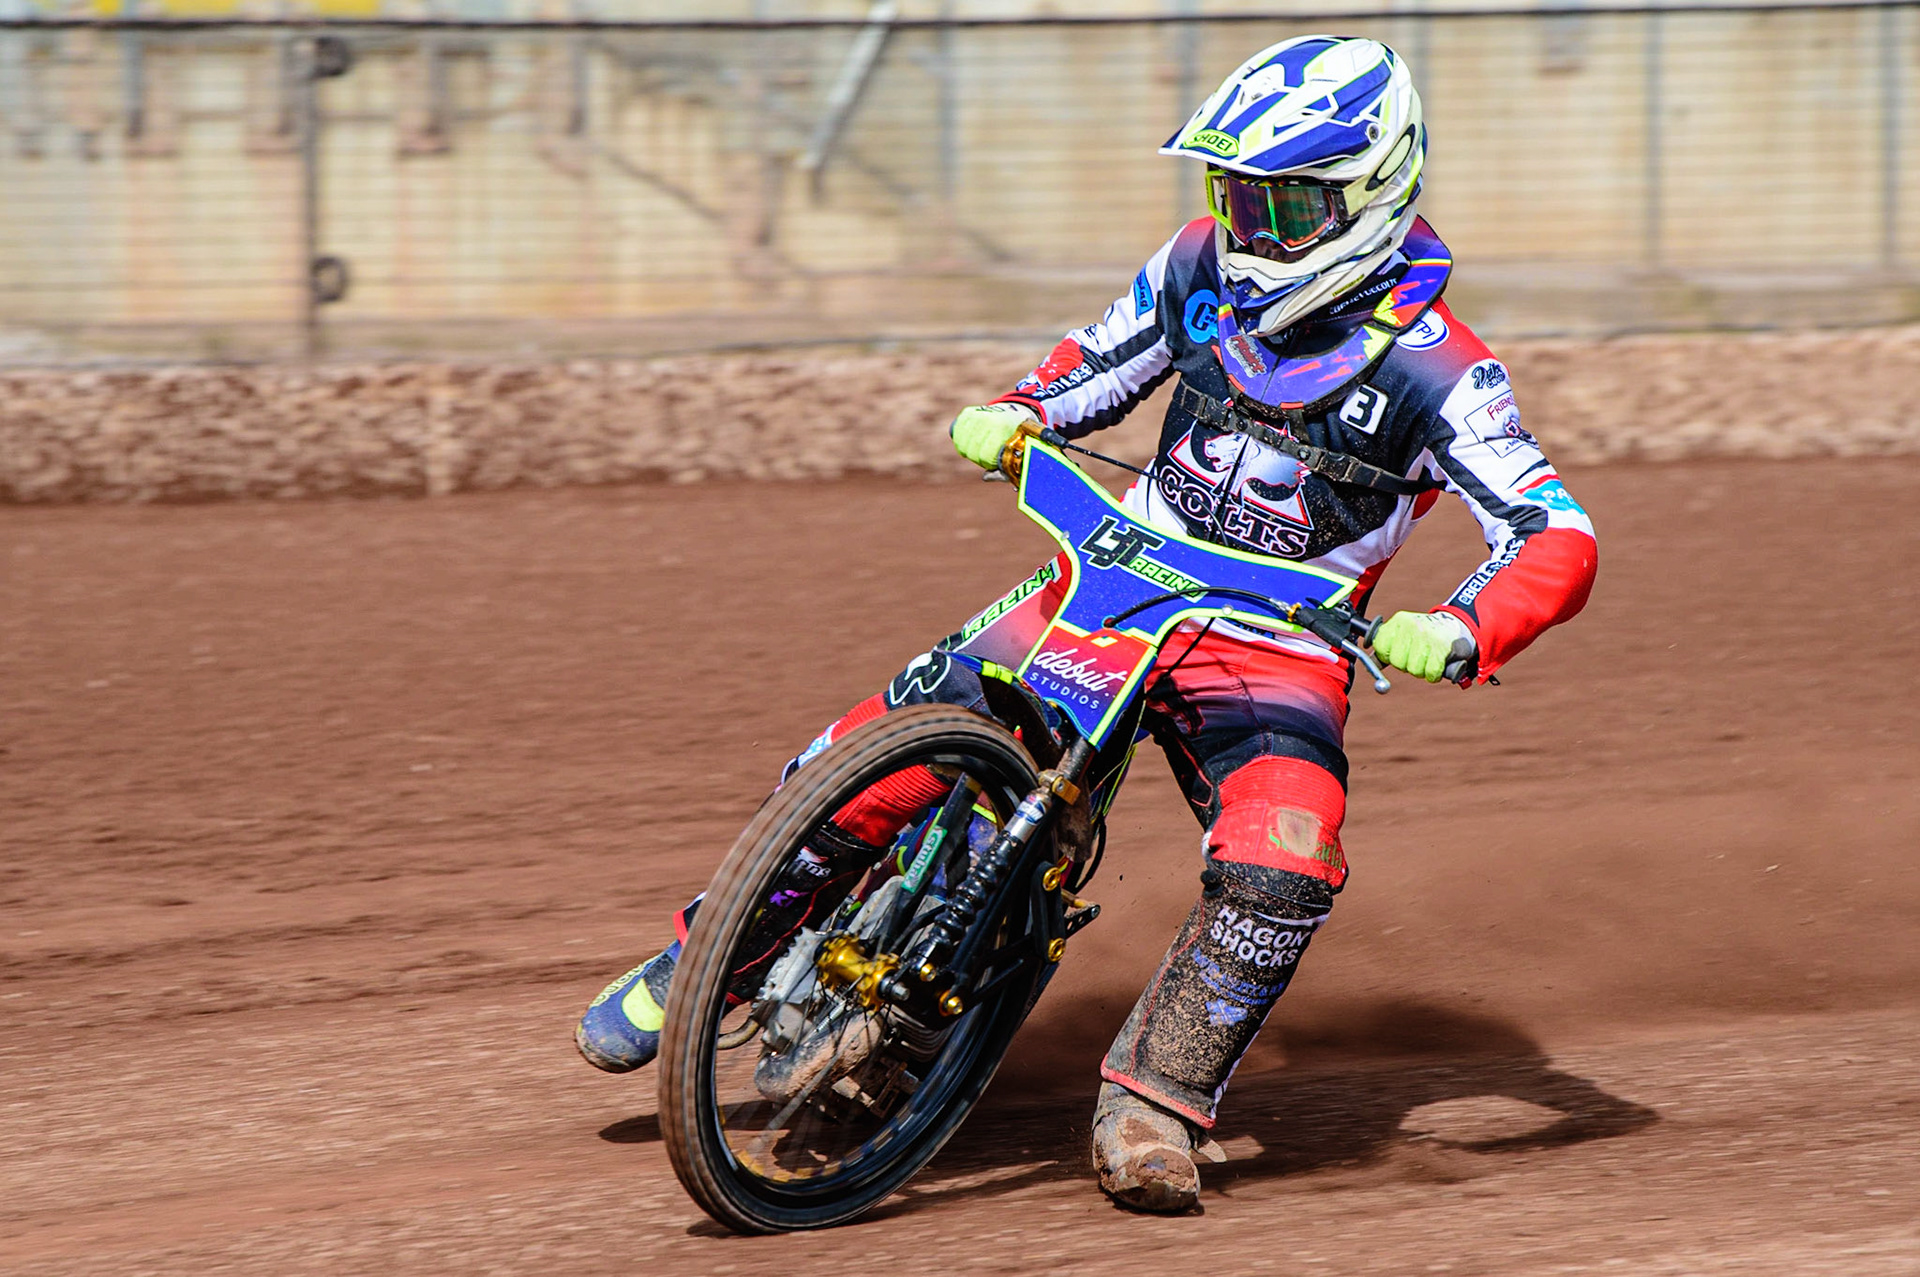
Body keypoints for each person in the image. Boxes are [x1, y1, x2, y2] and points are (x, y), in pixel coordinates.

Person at [575, 35, 1597, 1213]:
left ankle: (1155, 1098)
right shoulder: (1197, 265)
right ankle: (707, 952)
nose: (1252, 227)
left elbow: (1554, 531)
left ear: (1370, 196)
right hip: (1114, 573)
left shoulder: (1444, 373)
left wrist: (1466, 626)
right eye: (1238, 196)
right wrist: (1017, 412)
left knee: (1286, 854)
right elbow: (1095, 365)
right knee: (889, 739)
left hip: (1274, 641)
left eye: (1286, 203)